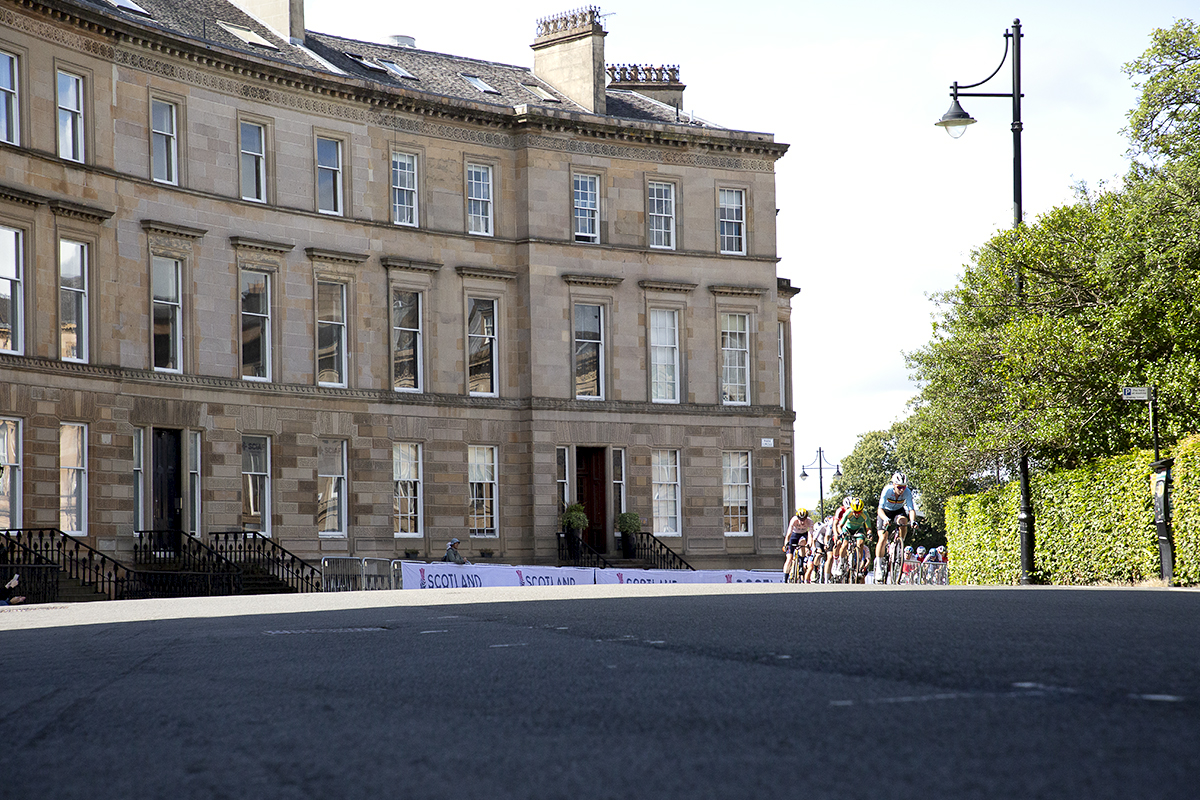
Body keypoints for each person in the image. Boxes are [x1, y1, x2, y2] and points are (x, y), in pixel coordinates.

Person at [832, 498, 872, 582]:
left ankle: (858, 565)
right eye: (855, 512)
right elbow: (839, 526)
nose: (857, 514)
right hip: (847, 529)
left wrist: (869, 534)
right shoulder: (848, 512)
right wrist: (841, 533)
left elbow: (868, 528)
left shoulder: (865, 514)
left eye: (859, 512)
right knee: (845, 544)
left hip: (858, 529)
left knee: (860, 543)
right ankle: (841, 563)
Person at [782, 507, 814, 582]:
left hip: (804, 535)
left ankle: (801, 564)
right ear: (798, 518)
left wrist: (809, 544)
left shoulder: (810, 521)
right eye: (801, 520)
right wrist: (786, 543)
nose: (802, 522)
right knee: (789, 558)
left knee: (802, 542)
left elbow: (810, 535)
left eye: (804, 519)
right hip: (794, 535)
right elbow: (788, 534)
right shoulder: (794, 520)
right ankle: (785, 578)